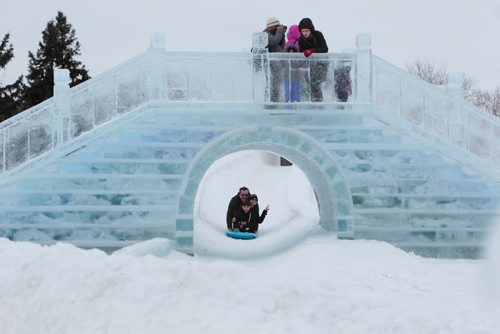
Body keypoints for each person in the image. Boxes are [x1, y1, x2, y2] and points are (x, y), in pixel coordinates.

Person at [297, 18, 329, 102]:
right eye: (303, 31)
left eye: (307, 30)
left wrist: (312, 51)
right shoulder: (301, 40)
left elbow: (325, 49)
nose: (305, 33)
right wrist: (304, 54)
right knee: (310, 82)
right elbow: (301, 54)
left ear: (311, 29)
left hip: (322, 64)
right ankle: (313, 101)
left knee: (316, 82)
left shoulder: (318, 35)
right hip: (310, 66)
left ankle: (318, 102)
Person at [264, 17, 286, 103]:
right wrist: (279, 32)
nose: (278, 27)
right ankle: (268, 103)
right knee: (269, 86)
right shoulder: (265, 34)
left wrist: (282, 34)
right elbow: (273, 41)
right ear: (271, 26)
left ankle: (275, 102)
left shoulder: (277, 34)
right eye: (277, 26)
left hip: (277, 66)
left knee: (276, 86)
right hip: (268, 66)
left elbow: (282, 46)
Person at [284, 24, 303, 103]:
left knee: (287, 88)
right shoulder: (301, 43)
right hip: (297, 71)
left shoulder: (286, 44)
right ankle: (296, 103)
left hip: (287, 71)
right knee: (296, 88)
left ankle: (287, 103)